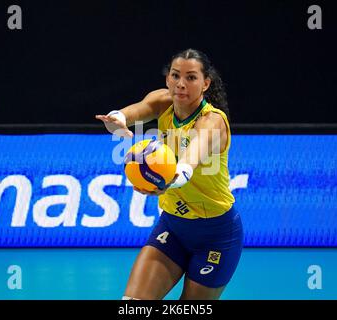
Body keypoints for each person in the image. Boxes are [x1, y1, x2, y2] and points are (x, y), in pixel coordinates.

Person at [95, 48, 243, 300]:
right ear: (167, 79)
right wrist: (117, 119)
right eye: (175, 76)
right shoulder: (163, 102)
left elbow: (190, 159)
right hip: (172, 228)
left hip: (216, 235)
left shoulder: (212, 122)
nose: (181, 84)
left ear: (206, 83)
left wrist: (168, 182)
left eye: (191, 78)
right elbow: (136, 111)